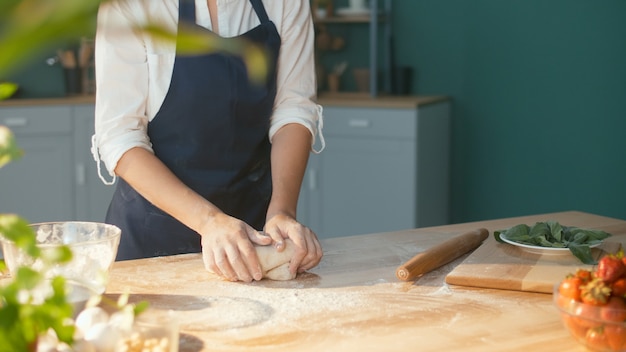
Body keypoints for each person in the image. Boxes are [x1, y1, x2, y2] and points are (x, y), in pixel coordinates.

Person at [91, 0, 325, 282]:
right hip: (151, 242)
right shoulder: (130, 6)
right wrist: (209, 222)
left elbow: (293, 109)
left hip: (251, 244)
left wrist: (282, 212)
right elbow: (120, 137)